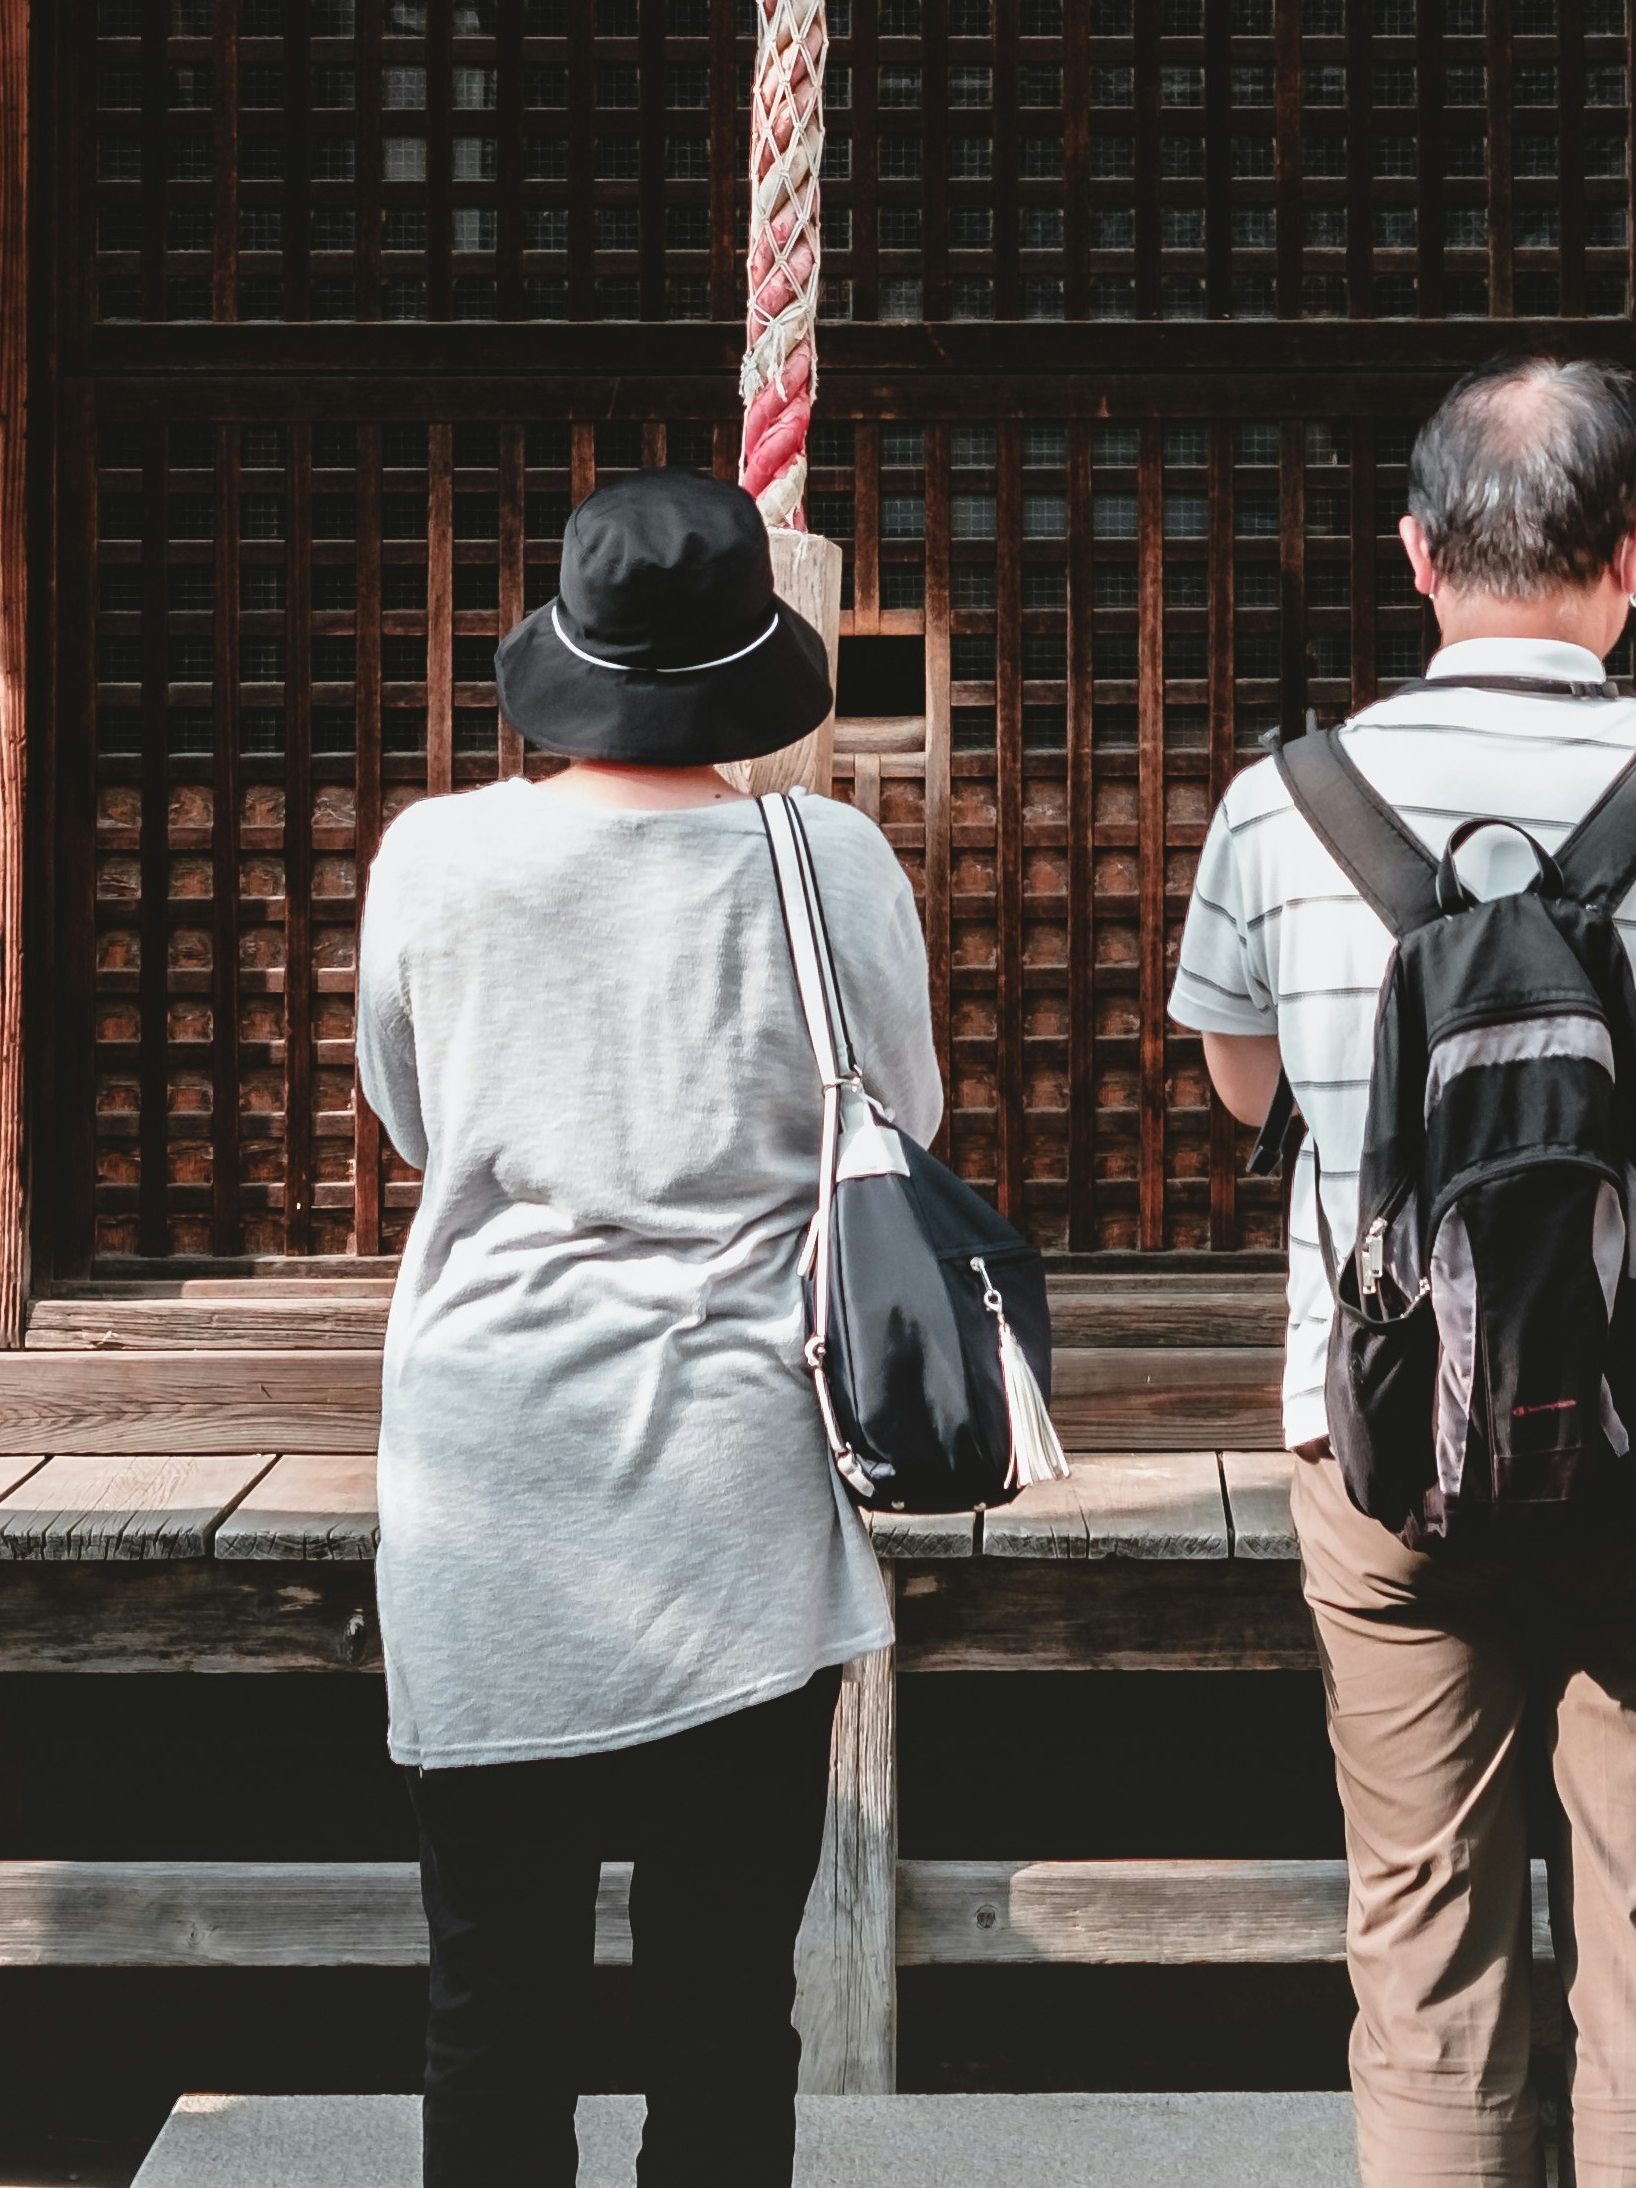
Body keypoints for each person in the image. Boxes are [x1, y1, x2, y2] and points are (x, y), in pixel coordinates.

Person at [1171, 353, 1636, 2188]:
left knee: (1426, 1943)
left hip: (1387, 1433)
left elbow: (1244, 1083)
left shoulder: (1285, 800)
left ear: (1416, 553)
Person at [358, 464, 941, 2188]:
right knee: (720, 2009)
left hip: (488, 1477)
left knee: (491, 1998)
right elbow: (895, 1116)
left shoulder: (437, 855)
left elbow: (415, 1117)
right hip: (737, 1480)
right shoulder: (824, 855)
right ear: (745, 656)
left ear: (570, 644)